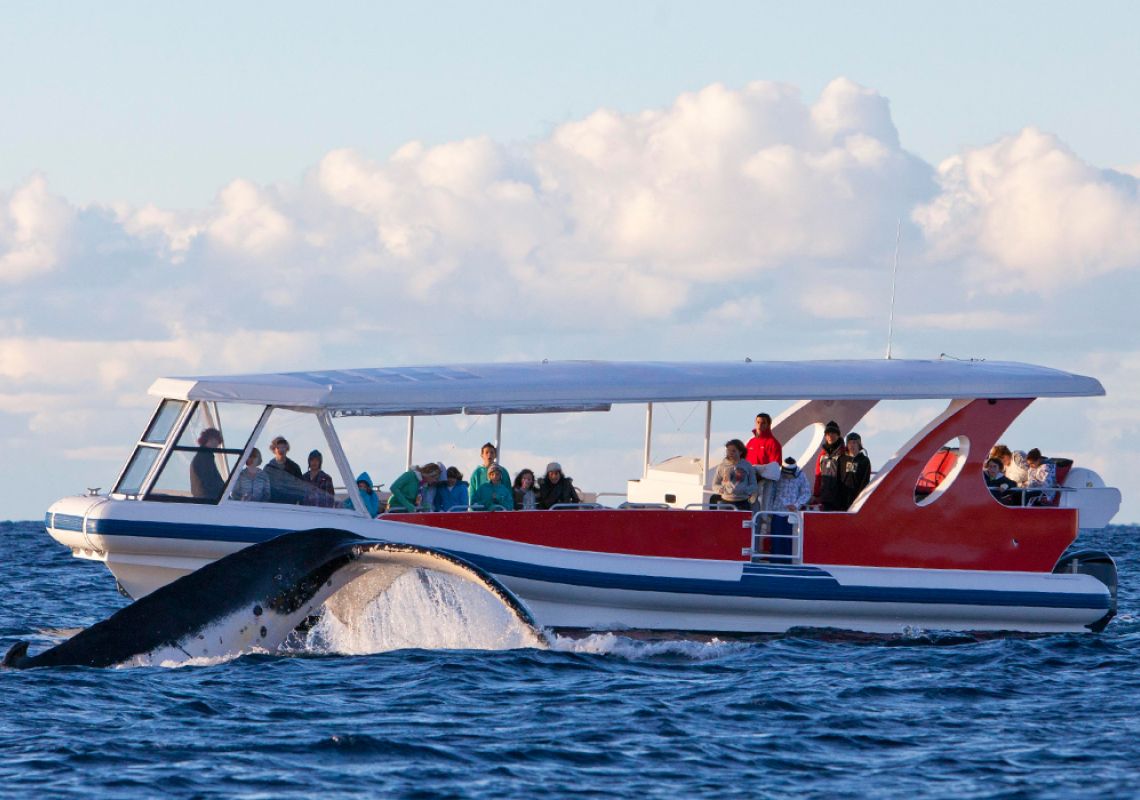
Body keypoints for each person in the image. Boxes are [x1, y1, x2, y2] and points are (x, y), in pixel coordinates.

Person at [769, 457, 811, 563]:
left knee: (790, 540)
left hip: (792, 514)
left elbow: (806, 492)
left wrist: (797, 504)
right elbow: (770, 493)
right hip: (777, 512)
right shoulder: (777, 475)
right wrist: (769, 510)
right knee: (776, 539)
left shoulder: (801, 475)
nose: (787, 476)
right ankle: (775, 563)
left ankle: (789, 563)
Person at [711, 439, 757, 510]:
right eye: (728, 450)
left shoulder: (747, 466)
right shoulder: (721, 466)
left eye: (733, 451)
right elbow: (715, 484)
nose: (730, 453)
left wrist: (744, 490)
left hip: (743, 503)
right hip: (725, 503)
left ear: (740, 452)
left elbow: (754, 485)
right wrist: (722, 490)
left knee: (742, 521)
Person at [813, 420, 846, 511]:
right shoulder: (822, 455)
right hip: (825, 498)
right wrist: (816, 494)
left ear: (838, 435)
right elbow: (818, 475)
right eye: (827, 434)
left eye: (833, 433)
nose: (830, 436)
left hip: (841, 498)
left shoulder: (845, 453)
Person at [264, 436, 304, 504]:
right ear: (274, 449)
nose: (281, 450)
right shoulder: (268, 469)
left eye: (283, 447)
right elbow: (264, 489)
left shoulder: (294, 468)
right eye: (278, 447)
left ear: (287, 449)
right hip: (272, 506)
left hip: (290, 506)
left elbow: (300, 489)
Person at [838, 432, 871, 510]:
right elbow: (837, 478)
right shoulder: (842, 459)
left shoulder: (864, 460)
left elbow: (865, 480)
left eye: (854, 443)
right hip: (842, 498)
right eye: (849, 443)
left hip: (858, 497)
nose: (852, 445)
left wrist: (860, 496)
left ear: (859, 444)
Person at [190, 427, 225, 500]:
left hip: (204, 496)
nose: (216, 445)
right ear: (209, 440)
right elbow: (209, 480)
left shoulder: (204, 455)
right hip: (207, 498)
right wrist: (224, 489)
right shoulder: (205, 457)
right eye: (215, 442)